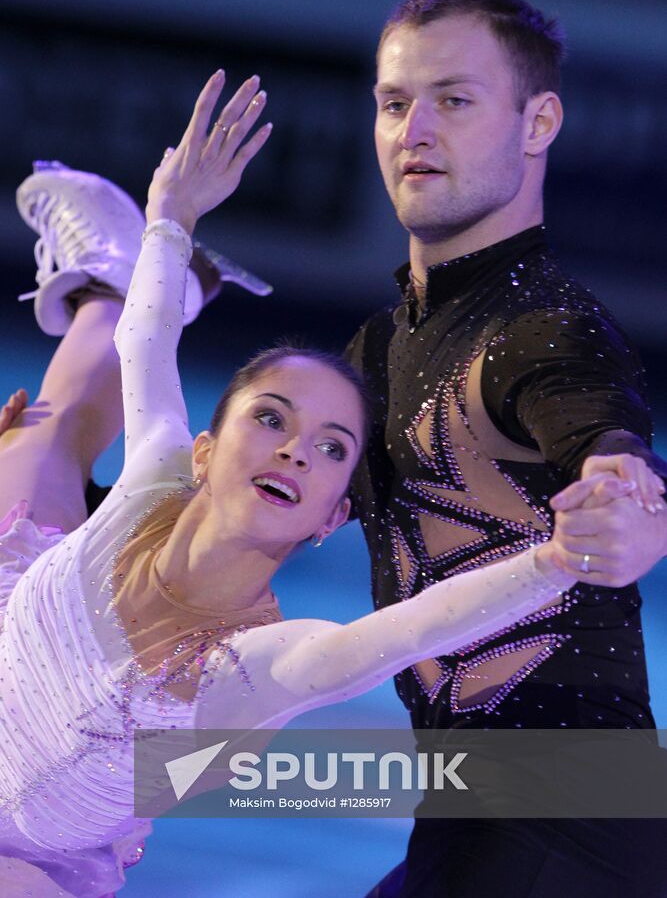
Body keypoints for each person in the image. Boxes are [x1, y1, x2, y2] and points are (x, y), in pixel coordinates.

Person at [0, 70, 639, 898]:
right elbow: (146, 351)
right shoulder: (154, 482)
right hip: (14, 609)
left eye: (332, 447)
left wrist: (558, 560)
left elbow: (411, 629)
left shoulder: (254, 666)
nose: (295, 450)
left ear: (333, 516)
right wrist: (171, 216)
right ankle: (122, 270)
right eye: (270, 419)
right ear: (203, 450)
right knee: (34, 441)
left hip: (30, 857)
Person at [346, 0, 667, 897]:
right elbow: (238, 524)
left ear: (538, 123)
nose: (413, 131)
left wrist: (631, 508)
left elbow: (603, 436)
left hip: (568, 834)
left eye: (454, 100)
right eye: (394, 102)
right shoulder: (376, 347)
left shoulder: (542, 327)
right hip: (472, 822)